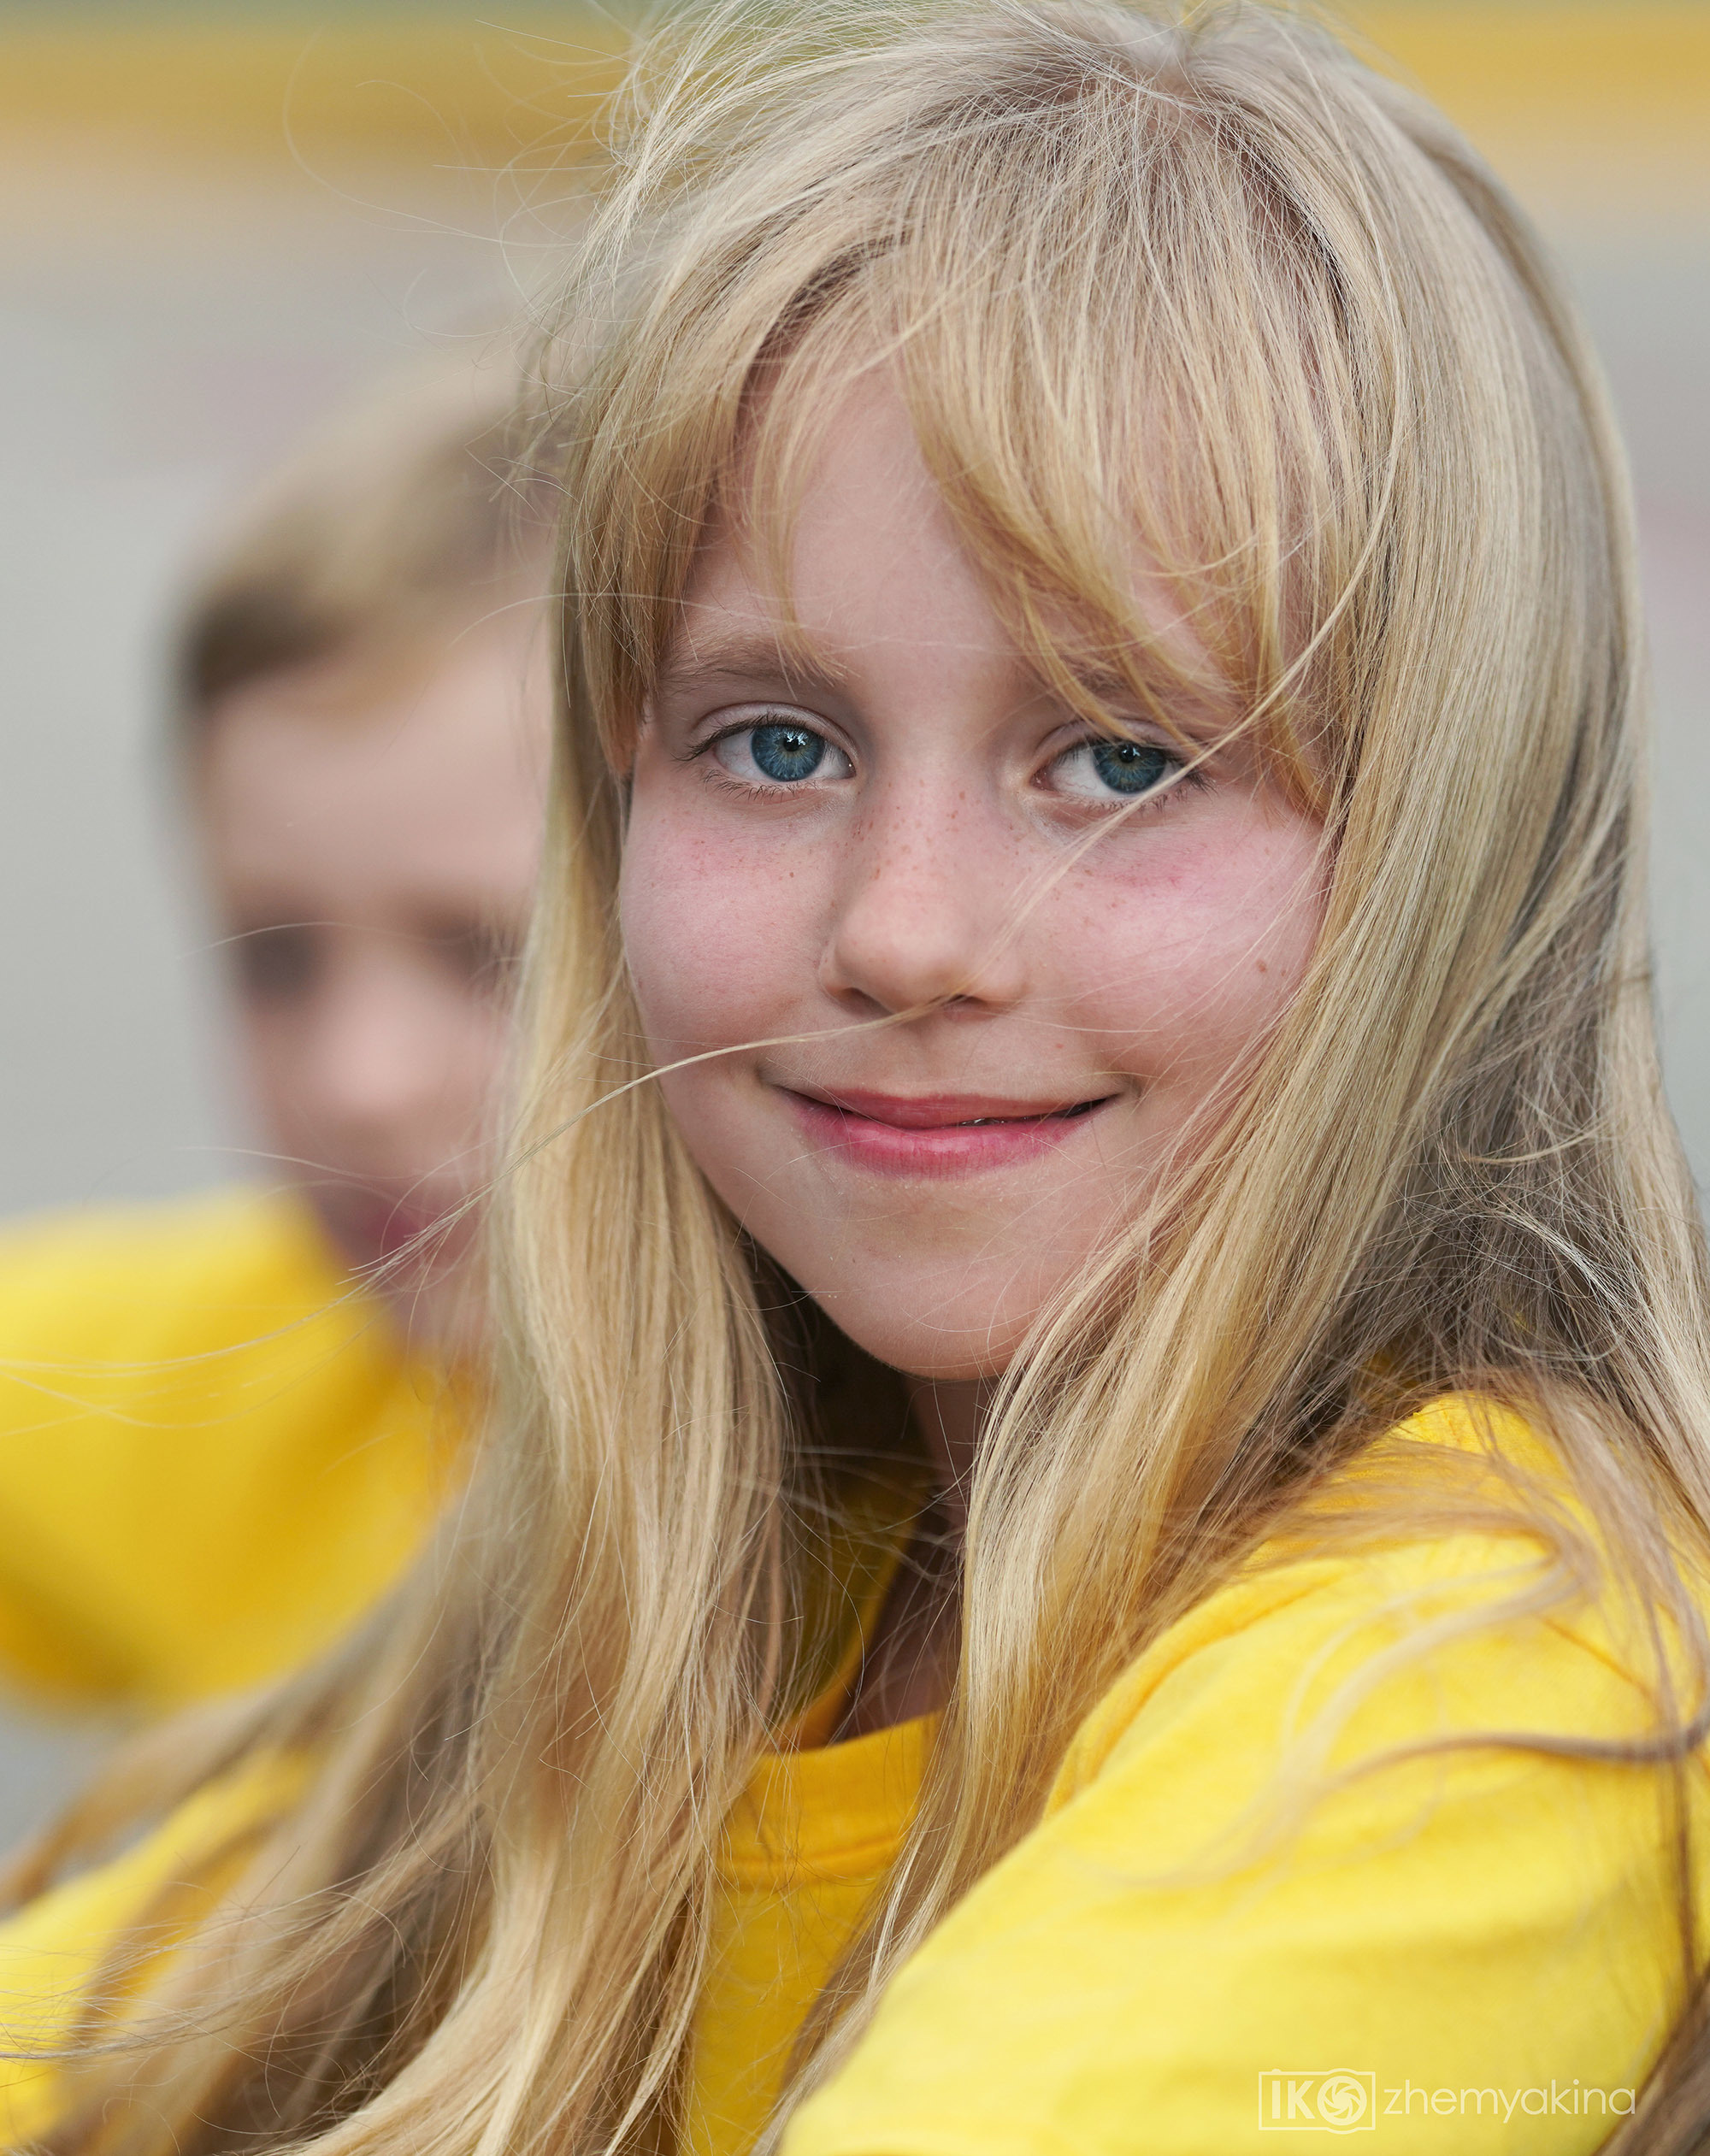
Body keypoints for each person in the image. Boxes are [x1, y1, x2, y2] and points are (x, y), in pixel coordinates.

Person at [3, 3, 1708, 2150]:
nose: (903, 927)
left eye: (1119, 755)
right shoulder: (699, 1562)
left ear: (1460, 841)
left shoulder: (1485, 1669)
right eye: (775, 742)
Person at [0, 356, 551, 1714]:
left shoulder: (922, 1535)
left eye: (491, 954)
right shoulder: (250, 1376)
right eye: (276, 959)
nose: (358, 1081)